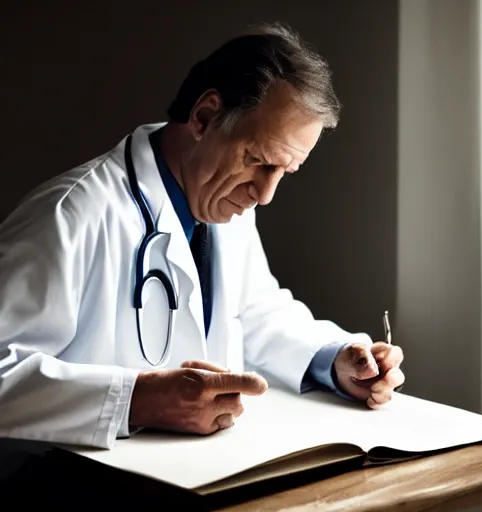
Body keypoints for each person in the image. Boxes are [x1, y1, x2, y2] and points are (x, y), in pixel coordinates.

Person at [0, 22, 405, 450]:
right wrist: (136, 401)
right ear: (205, 116)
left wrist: (336, 361)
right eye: (258, 161)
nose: (265, 195)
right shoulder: (72, 213)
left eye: (285, 172)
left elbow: (253, 313)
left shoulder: (223, 199)